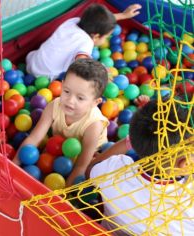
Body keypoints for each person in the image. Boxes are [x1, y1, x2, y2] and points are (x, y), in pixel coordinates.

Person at [87, 99, 194, 235]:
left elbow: (91, 169)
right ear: (184, 164)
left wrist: (129, 142)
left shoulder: (113, 170)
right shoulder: (189, 200)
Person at [13, 58, 109, 186]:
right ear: (62, 85)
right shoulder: (54, 106)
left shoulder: (94, 125)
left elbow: (82, 164)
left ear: (94, 103)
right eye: (67, 91)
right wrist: (14, 164)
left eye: (80, 98)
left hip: (90, 153)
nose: (70, 100)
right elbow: (34, 138)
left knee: (93, 170)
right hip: (58, 146)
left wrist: (64, 194)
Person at [26, 3, 141, 80]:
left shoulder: (73, 22)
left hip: (32, 61)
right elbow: (82, 61)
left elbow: (97, 21)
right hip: (45, 77)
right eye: (106, 37)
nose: (106, 39)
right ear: (96, 36)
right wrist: (100, 70)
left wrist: (123, 15)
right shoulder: (86, 42)